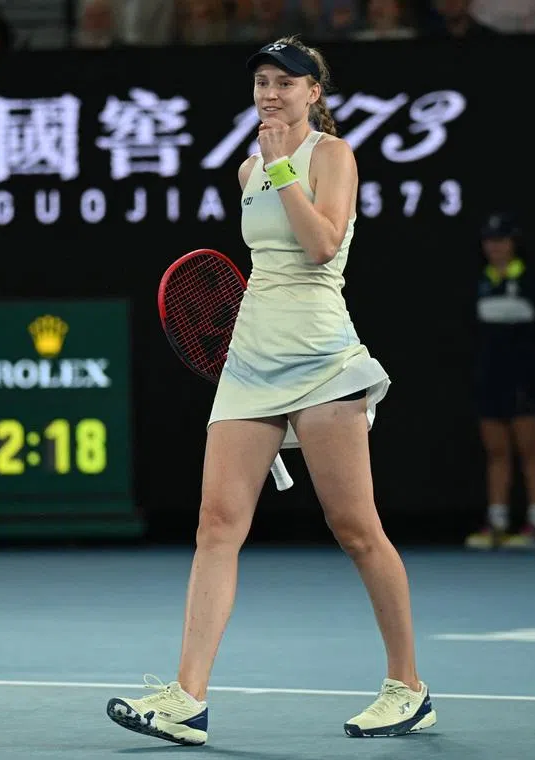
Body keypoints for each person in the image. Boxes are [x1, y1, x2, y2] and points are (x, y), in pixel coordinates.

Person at [105, 35, 436, 746]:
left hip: (322, 359)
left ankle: (408, 686)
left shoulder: (332, 157)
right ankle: (187, 697)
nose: (271, 92)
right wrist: (270, 166)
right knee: (216, 527)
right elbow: (269, 260)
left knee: (356, 530)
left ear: (315, 92)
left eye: (287, 82)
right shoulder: (245, 167)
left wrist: (285, 164)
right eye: (262, 80)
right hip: (251, 361)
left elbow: (321, 246)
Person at [465, 212, 535, 550]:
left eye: (501, 240)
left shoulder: (533, 281)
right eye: (489, 241)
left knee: (530, 451)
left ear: (514, 244)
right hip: (491, 380)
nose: (495, 247)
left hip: (527, 381)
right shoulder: (479, 281)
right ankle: (498, 524)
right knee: (497, 452)